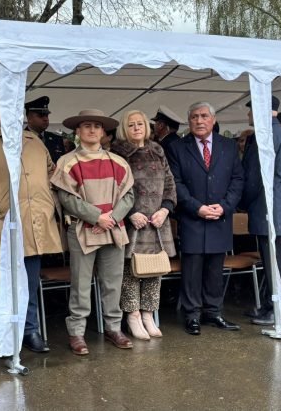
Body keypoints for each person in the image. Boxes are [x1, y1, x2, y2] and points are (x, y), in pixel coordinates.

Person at [0, 94, 63, 353]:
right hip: (1, 221)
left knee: (29, 280)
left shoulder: (34, 140)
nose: (21, 112)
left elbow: (51, 171)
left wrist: (46, 201)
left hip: (34, 222)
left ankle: (29, 330)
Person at [51, 109, 135, 355]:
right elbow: (66, 197)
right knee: (80, 283)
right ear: (78, 131)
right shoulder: (67, 162)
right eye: (86, 126)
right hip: (81, 229)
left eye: (96, 126)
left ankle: (113, 327)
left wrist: (112, 217)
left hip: (113, 228)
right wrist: (97, 216)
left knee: (113, 282)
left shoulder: (118, 161)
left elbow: (128, 195)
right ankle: (77, 332)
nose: (91, 130)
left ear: (103, 132)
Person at [167, 102, 244, 335]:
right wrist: (196, 208)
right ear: (188, 121)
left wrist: (225, 206)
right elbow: (175, 183)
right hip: (193, 217)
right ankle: (192, 315)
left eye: (203, 116)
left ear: (213, 119)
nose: (199, 121)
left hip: (220, 217)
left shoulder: (228, 146)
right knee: (192, 268)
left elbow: (237, 179)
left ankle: (214, 312)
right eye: (194, 117)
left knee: (215, 268)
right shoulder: (177, 147)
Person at [110, 110, 177, 340]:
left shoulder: (158, 150)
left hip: (157, 221)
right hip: (132, 221)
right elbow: (113, 190)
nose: (137, 127)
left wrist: (165, 209)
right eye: (132, 124)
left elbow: (170, 183)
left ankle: (149, 315)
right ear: (123, 128)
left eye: (140, 123)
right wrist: (130, 213)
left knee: (154, 270)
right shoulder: (117, 153)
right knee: (131, 271)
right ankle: (133, 316)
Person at [239, 97, 281, 325]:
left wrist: (243, 200)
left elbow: (254, 176)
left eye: (250, 110)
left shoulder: (267, 134)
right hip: (276, 204)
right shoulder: (277, 131)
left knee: (274, 260)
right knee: (272, 258)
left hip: (268, 205)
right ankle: (270, 304)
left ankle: (276, 308)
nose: (248, 116)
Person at [25, 96, 67, 163]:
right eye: (41, 116)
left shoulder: (56, 139)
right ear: (29, 118)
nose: (45, 119)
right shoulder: (19, 139)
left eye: (46, 115)